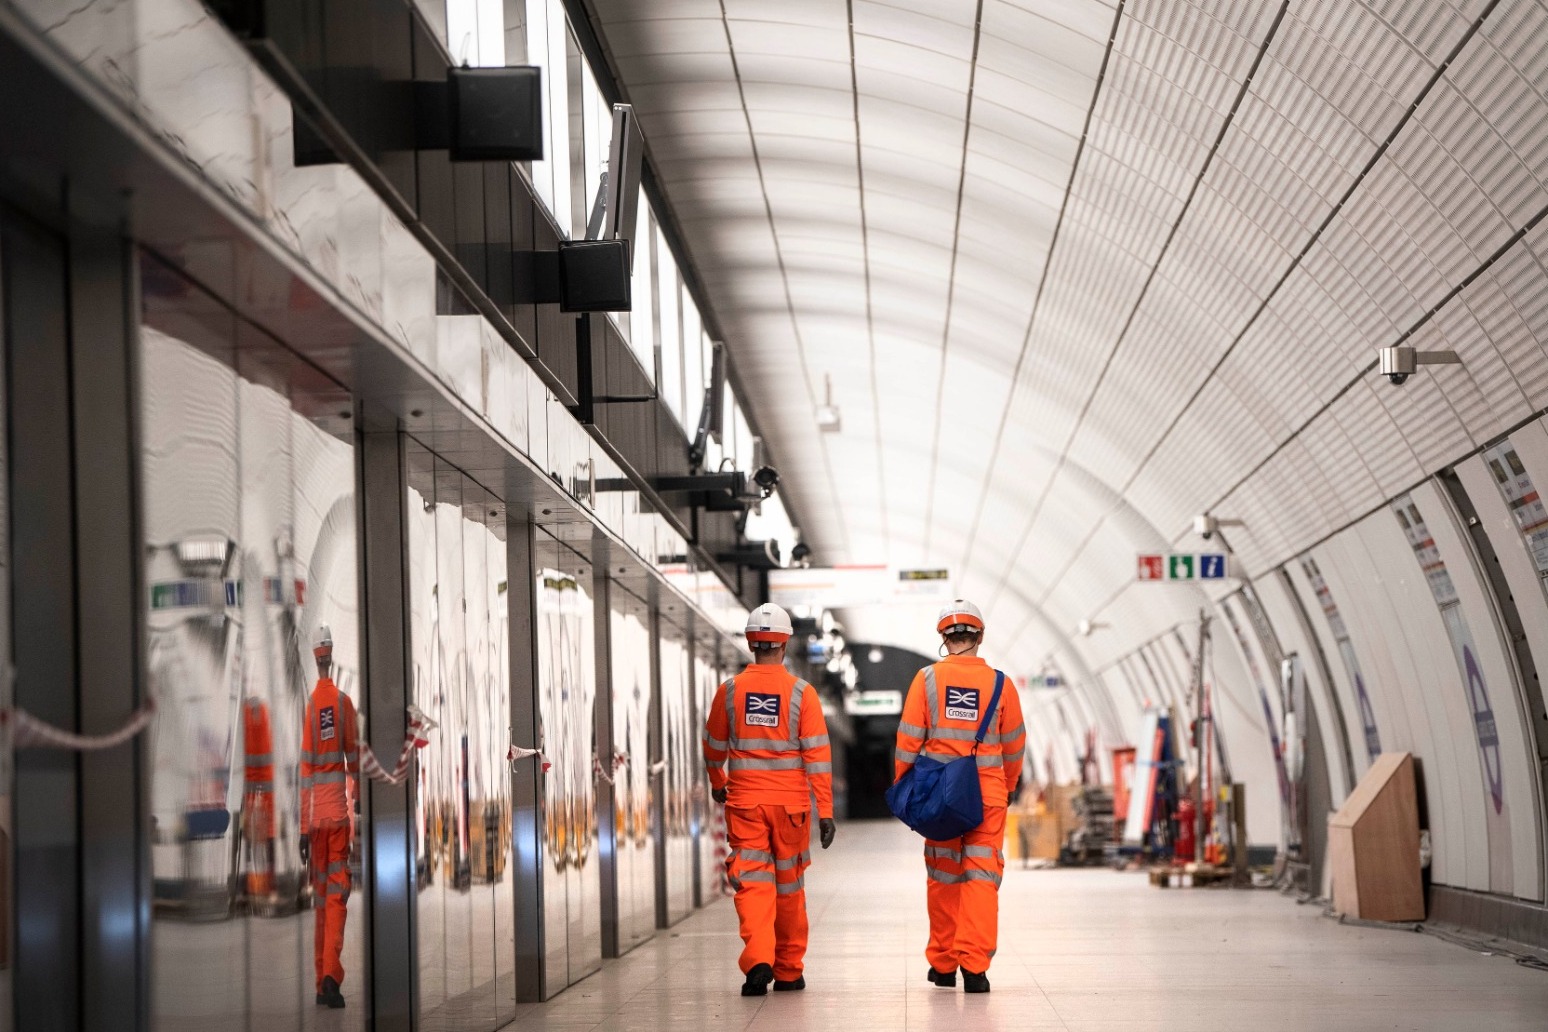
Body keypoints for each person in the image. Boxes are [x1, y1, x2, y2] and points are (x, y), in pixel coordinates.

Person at [703, 603, 837, 996]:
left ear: (751, 642)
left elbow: (713, 744)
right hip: (790, 808)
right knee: (789, 888)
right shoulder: (802, 694)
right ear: (785, 643)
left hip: (744, 804)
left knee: (753, 884)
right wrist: (825, 811)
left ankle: (759, 960)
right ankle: (790, 970)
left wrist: (717, 779)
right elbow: (817, 756)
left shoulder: (729, 692)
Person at [894, 600, 1025, 994]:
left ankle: (944, 962)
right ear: (980, 636)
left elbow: (908, 738)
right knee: (982, 878)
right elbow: (1015, 744)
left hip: (939, 794)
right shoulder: (1002, 684)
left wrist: (905, 785)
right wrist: (1009, 784)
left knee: (943, 876)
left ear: (943, 638)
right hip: (987, 794)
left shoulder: (927, 680)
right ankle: (976, 968)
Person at [300, 625, 359, 1009]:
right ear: (331, 656)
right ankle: (329, 976)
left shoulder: (310, 707)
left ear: (314, 657)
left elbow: (305, 770)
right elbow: (353, 758)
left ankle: (322, 979)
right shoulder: (343, 704)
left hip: (316, 822)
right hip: (337, 817)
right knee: (337, 897)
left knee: (321, 899)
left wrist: (303, 829)